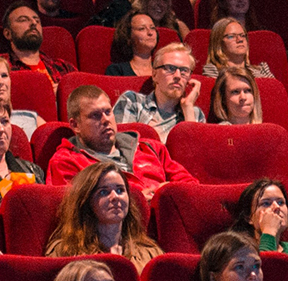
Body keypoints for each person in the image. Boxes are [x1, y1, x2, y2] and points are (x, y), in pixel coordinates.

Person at [47, 85, 198, 202]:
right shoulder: (66, 162)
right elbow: (73, 209)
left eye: (108, 112)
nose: (105, 120)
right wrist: (134, 200)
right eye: (95, 115)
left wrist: (169, 190)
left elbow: (193, 187)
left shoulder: (150, 148)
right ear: (75, 125)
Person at [45, 164, 161, 272]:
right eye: (104, 192)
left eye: (120, 190)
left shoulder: (150, 253)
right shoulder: (65, 251)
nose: (115, 197)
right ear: (86, 202)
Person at [113, 43, 205, 141]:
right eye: (170, 68)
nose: (178, 76)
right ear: (154, 74)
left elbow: (196, 154)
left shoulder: (195, 113)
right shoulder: (132, 102)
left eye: (184, 70)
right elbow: (123, 146)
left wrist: (188, 108)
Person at [227, 178, 288, 265]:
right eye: (266, 203)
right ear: (248, 217)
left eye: (281, 202)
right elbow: (265, 274)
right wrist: (269, 232)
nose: (277, 207)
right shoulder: (240, 252)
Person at [0, 1, 71, 88]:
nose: (33, 23)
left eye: (37, 20)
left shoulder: (62, 67)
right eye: (23, 20)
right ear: (8, 34)